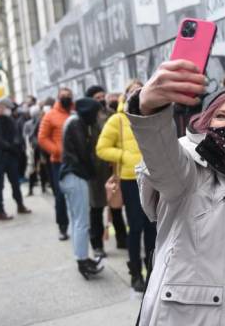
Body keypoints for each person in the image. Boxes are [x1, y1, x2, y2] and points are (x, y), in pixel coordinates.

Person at [126, 59, 225, 325]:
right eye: (222, 116)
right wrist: (149, 109)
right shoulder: (189, 168)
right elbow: (162, 155)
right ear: (205, 121)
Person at [97, 79, 152, 292]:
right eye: (132, 91)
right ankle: (135, 273)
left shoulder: (153, 117)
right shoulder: (118, 120)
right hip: (130, 180)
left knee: (152, 229)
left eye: (141, 90)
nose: (137, 93)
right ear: (125, 95)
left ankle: (152, 272)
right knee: (136, 227)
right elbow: (102, 148)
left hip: (154, 179)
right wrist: (125, 156)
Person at [59, 97, 105, 279]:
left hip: (70, 176)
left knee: (77, 221)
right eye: (96, 113)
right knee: (81, 222)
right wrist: (93, 173)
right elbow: (83, 154)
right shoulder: (76, 123)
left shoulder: (74, 121)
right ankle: (83, 260)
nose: (97, 116)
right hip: (75, 176)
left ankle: (83, 257)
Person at [86, 84, 127, 259]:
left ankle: (122, 238)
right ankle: (97, 245)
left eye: (102, 96)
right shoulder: (87, 120)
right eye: (97, 97)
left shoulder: (112, 116)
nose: (101, 100)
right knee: (96, 209)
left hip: (113, 168)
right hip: (95, 171)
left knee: (116, 206)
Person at [0, 97, 32, 220]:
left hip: (10, 157)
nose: (10, 111)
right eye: (8, 108)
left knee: (15, 182)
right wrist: (8, 146)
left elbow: (16, 134)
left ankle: (20, 205)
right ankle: (0, 211)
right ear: (1, 106)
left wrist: (16, 145)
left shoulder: (9, 119)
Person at [38, 88, 73, 240]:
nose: (66, 98)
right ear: (58, 97)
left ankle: (81, 225)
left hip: (76, 162)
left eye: (68, 96)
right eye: (63, 96)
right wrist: (57, 151)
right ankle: (63, 226)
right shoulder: (50, 115)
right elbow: (42, 138)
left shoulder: (74, 112)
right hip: (59, 162)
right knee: (60, 195)